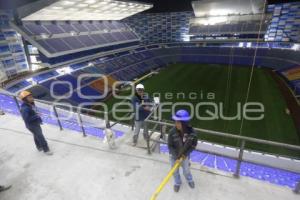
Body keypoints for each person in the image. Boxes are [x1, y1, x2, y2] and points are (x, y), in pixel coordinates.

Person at [168, 110, 198, 192]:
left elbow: (193, 146)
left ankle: (189, 180)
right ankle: (177, 183)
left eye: (178, 122)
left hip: (184, 156)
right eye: (175, 122)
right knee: (174, 171)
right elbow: (170, 146)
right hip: (174, 156)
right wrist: (176, 157)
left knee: (186, 170)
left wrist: (185, 155)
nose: (176, 124)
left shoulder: (193, 133)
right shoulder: (172, 132)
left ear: (184, 123)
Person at [19, 91, 53, 155]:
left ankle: (39, 147)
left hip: (34, 124)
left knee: (36, 135)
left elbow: (33, 112)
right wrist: (37, 116)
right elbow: (26, 119)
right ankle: (46, 150)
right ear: (25, 99)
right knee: (40, 137)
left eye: (31, 96)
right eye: (29, 97)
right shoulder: (25, 108)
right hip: (32, 125)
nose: (32, 98)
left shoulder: (29, 104)